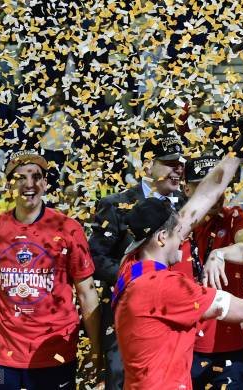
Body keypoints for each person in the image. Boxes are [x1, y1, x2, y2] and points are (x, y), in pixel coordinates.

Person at [112, 129, 243, 389]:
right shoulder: (167, 286)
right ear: (162, 238)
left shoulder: (129, 264)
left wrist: (241, 143)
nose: (184, 233)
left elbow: (204, 197)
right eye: (178, 230)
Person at [0, 150, 102, 389]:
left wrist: (96, 347)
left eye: (36, 176)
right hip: (2, 352)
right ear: (9, 184)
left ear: (45, 183)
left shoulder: (69, 228)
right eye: (20, 178)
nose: (29, 184)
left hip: (54, 351)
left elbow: (86, 291)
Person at [89, 132, 186, 390]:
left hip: (174, 316)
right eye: (169, 162)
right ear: (147, 165)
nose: (178, 168)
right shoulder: (116, 205)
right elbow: (95, 258)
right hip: (128, 317)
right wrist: (136, 276)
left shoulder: (185, 206)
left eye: (180, 163)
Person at [183, 156, 243, 390]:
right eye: (207, 185)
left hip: (231, 347)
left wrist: (221, 253)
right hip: (185, 347)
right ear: (187, 189)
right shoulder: (174, 227)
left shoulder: (233, 217)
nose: (216, 193)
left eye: (220, 185)